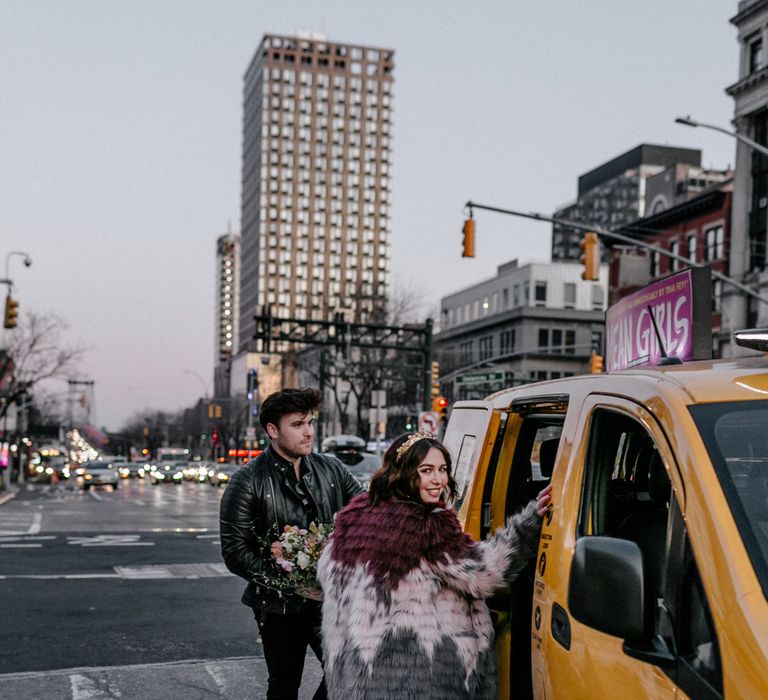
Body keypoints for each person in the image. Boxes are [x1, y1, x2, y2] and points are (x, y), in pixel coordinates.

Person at [317, 430, 552, 699]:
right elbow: (485, 572)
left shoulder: (355, 514)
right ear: (403, 471)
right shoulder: (428, 523)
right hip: (417, 677)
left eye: (442, 469)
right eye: (426, 470)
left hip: (359, 676)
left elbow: (328, 574)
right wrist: (529, 523)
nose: (438, 480)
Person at [220, 387, 362, 700]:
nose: (309, 432)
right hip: (278, 605)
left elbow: (368, 512)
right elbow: (234, 552)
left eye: (310, 423)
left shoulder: (332, 469)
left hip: (331, 600)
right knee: (284, 684)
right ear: (273, 430)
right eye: (298, 425)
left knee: (351, 674)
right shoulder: (248, 480)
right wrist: (291, 583)